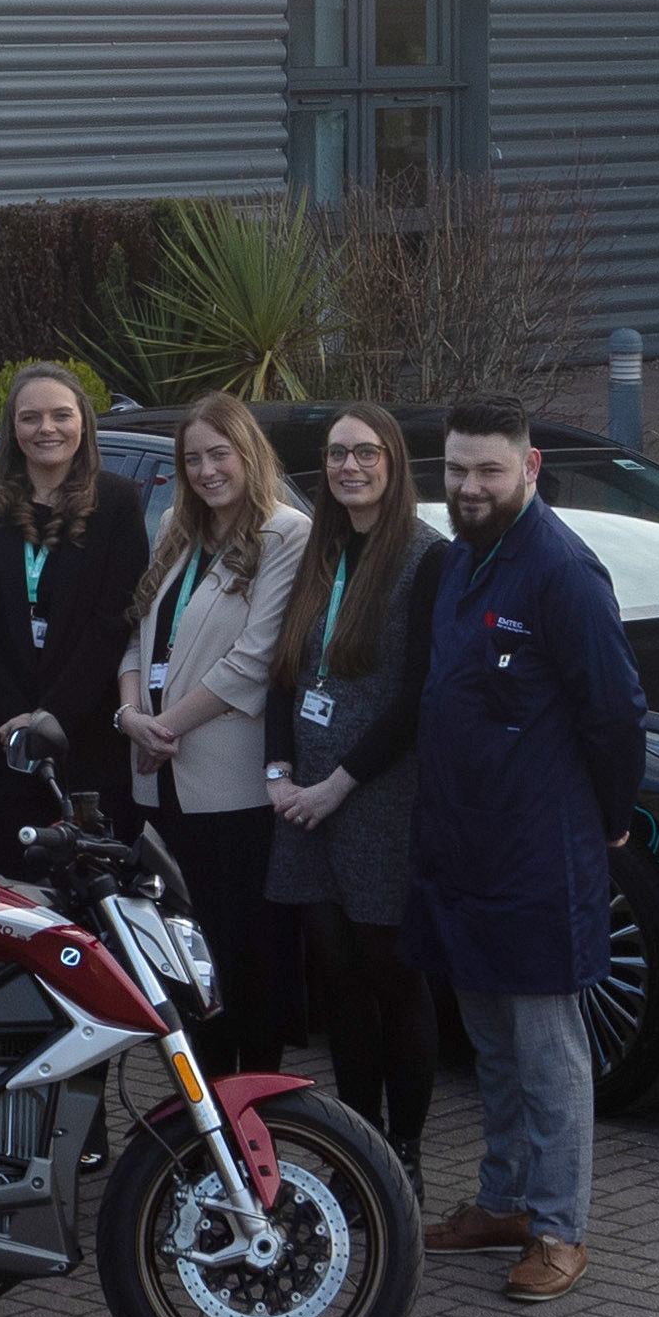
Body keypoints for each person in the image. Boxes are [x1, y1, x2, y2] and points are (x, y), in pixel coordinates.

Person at [405, 396, 647, 1305]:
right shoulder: (460, 558)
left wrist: (610, 816)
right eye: (457, 470)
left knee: (549, 1049)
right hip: (463, 846)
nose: (469, 486)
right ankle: (502, 1202)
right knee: (492, 1041)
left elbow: (617, 710)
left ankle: (559, 1228)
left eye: (489, 471)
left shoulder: (562, 572)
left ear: (530, 468)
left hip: (539, 850)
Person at [264, 404, 454, 1204]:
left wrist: (340, 784)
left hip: (375, 796)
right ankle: (356, 1144)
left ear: (393, 461)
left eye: (365, 453)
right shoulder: (321, 545)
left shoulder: (426, 557)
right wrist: (278, 771)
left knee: (391, 977)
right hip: (302, 800)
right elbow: (282, 670)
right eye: (338, 455)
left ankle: (402, 1153)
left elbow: (419, 696)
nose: (349, 467)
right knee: (335, 976)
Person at [112, 393, 310, 1075]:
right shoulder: (176, 526)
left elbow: (253, 661)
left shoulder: (286, 534)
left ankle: (251, 1102)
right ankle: (199, 1106)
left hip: (228, 783)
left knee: (241, 953)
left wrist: (162, 724)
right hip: (157, 776)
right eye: (193, 458)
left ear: (248, 455)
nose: (206, 470)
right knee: (181, 954)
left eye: (219, 454)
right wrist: (129, 715)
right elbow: (140, 635)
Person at [0, 362, 150, 877]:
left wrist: (51, 715)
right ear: (13, 428)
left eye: (61, 415)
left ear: (84, 424)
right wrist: (15, 714)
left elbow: (112, 620)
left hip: (84, 747)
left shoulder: (118, 502)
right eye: (30, 418)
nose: (46, 429)